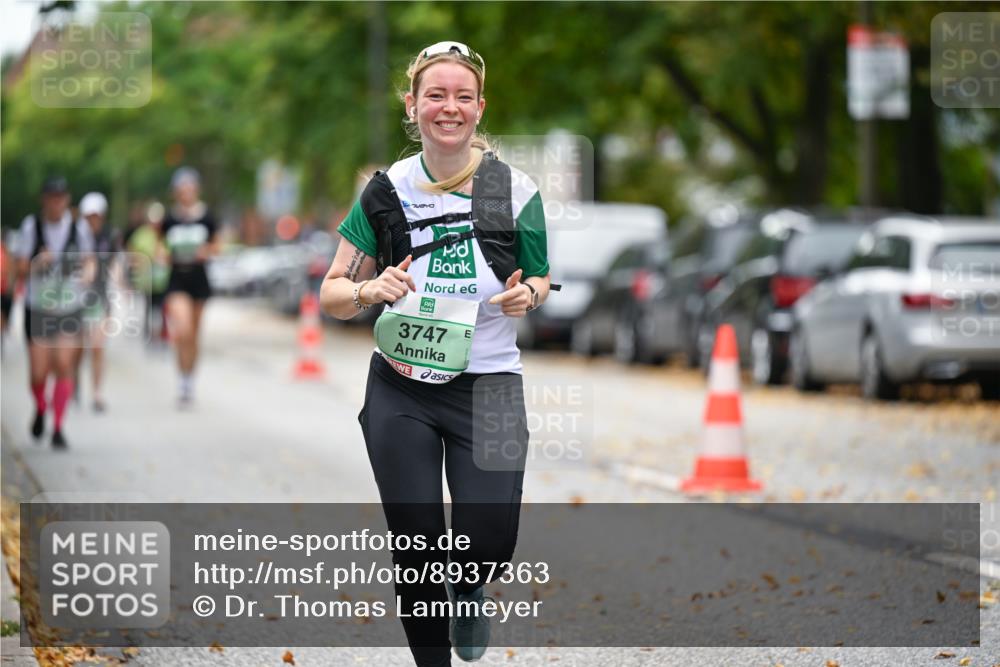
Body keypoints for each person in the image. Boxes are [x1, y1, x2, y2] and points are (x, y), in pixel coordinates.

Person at [320, 42, 551, 666]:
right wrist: (369, 287)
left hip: (492, 382)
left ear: (480, 107)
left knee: (491, 542)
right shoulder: (385, 191)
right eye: (435, 95)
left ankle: (469, 583)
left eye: (462, 96)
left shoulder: (515, 188)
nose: (449, 107)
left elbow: (541, 277)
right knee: (418, 545)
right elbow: (332, 291)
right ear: (413, 104)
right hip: (402, 382)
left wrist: (525, 294)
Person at [15, 176, 95, 448]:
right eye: (52, 197)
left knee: (63, 364)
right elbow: (20, 268)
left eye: (61, 197)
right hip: (38, 307)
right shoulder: (31, 227)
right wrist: (38, 263)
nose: (56, 202)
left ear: (67, 200)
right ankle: (40, 406)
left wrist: (87, 276)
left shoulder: (78, 228)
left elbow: (89, 261)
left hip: (68, 305)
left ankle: (58, 426)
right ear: (44, 200)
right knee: (39, 371)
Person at [159, 168, 218, 407]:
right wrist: (163, 254)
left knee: (193, 334)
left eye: (189, 188)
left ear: (196, 189)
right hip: (177, 280)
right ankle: (182, 377)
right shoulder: (170, 219)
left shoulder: (206, 217)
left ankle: (189, 379)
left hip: (199, 280)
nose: (186, 192)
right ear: (176, 192)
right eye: (181, 189)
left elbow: (217, 246)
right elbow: (160, 245)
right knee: (181, 330)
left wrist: (206, 251)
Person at [77, 192, 117, 412]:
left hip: (100, 296)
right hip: (75, 297)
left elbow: (116, 263)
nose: (93, 220)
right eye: (89, 216)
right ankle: (72, 382)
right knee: (77, 347)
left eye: (96, 215)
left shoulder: (109, 236)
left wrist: (122, 284)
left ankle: (97, 393)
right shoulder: (74, 235)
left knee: (98, 346)